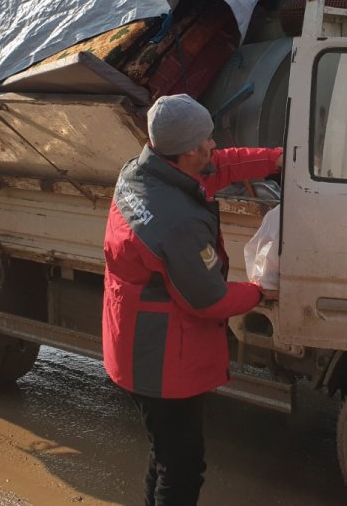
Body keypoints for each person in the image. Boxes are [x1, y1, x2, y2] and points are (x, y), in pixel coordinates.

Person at [102, 93, 282, 506]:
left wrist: (274, 159)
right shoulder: (176, 222)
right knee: (182, 467)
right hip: (160, 356)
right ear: (186, 153)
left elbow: (220, 166)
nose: (213, 146)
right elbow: (209, 299)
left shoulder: (143, 170)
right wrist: (259, 291)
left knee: (164, 452)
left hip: (134, 338)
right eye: (207, 141)